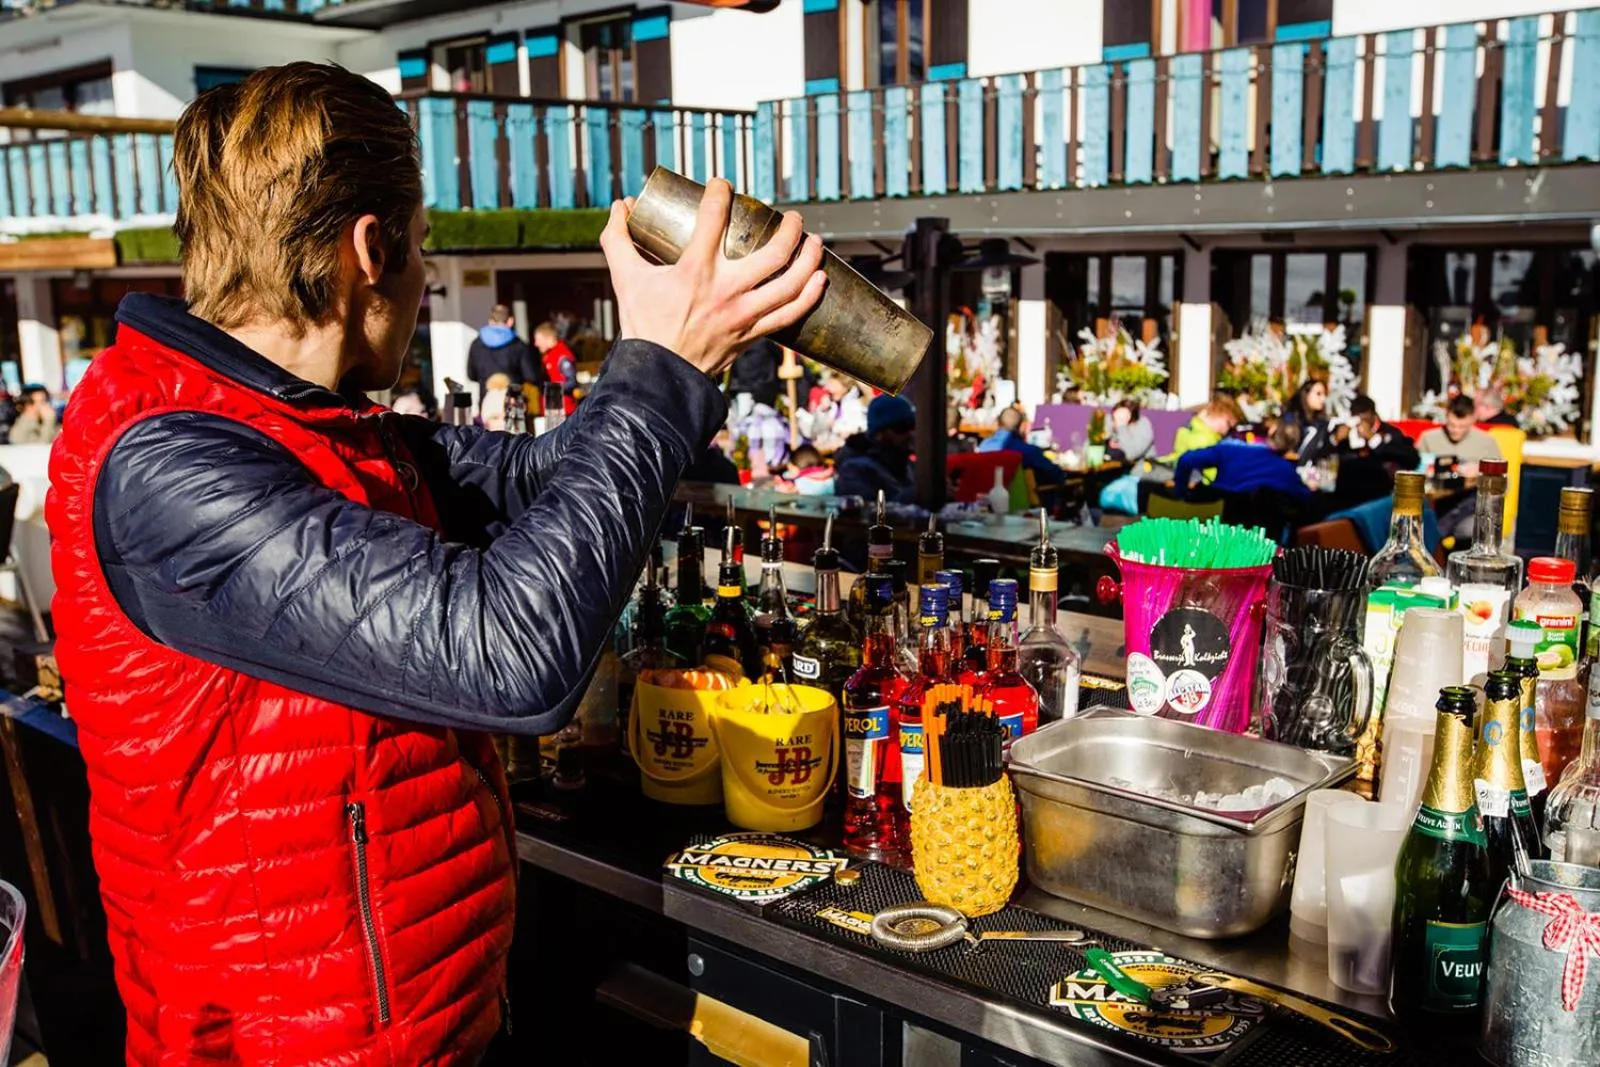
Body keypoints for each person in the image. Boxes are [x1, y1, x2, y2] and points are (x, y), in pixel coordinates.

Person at [46, 62, 826, 1065]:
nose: (421, 279)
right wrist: (660, 367)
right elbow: (510, 653)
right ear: (369, 249)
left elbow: (547, 479)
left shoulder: (322, 428)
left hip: (413, 1018)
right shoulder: (172, 462)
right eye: (421, 249)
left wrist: (697, 348)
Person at [835, 394, 917, 503]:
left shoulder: (907, 464)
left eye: (913, 426)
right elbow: (866, 514)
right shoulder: (854, 470)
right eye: (901, 427)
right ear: (879, 434)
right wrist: (919, 494)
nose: (910, 434)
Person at [465, 303, 542, 397]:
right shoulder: (518, 345)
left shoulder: (476, 344)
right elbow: (531, 376)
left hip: (487, 400)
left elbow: (471, 375)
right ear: (510, 321)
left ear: (490, 321)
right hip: (512, 399)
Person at [978, 406, 1065, 489]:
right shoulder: (1029, 451)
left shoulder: (983, 446)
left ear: (998, 423)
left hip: (986, 498)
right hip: (1019, 501)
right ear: (1021, 426)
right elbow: (1056, 474)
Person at [1418, 394, 1503, 473]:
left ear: (1473, 419)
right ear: (1446, 416)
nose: (1456, 430)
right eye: (1452, 425)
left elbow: (1503, 482)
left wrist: (1480, 471)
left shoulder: (1487, 442)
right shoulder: (1428, 438)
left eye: (1462, 426)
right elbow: (1414, 471)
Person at [1334, 395, 1421, 469]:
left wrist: (1373, 438)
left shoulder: (1390, 432)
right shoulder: (1347, 432)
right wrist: (1336, 440)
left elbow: (1411, 460)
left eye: (1363, 418)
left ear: (1372, 414)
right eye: (1355, 417)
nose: (1359, 422)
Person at [534, 320, 578, 415]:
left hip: (563, 411)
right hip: (551, 410)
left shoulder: (562, 356)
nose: (536, 344)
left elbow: (571, 382)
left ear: (548, 338)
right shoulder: (548, 355)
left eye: (538, 340)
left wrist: (552, 389)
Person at [1285, 379, 1333, 461]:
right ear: (1306, 394)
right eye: (1318, 394)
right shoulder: (1292, 417)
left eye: (1324, 394)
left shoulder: (1322, 423)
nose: (1323, 399)